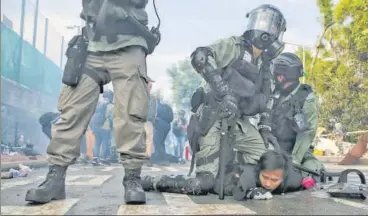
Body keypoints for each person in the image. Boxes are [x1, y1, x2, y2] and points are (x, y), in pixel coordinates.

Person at [25, 0, 160, 205]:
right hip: (93, 43)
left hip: (130, 42)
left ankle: (132, 178)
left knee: (130, 114)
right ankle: (55, 178)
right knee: (72, 110)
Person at [150, 4, 287, 194]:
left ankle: (234, 177)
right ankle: (158, 182)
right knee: (203, 183)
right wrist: (224, 92)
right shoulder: (234, 46)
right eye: (265, 23)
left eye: (272, 27)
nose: (266, 30)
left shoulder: (266, 65)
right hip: (214, 117)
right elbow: (201, 56)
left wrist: (265, 127)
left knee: (266, 164)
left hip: (239, 122)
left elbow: (267, 101)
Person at [142, 150, 309, 199]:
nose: (269, 183)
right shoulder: (250, 175)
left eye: (275, 180)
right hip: (222, 179)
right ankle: (152, 182)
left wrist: (309, 182)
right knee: (199, 186)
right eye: (265, 177)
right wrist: (250, 191)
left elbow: (306, 180)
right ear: (260, 171)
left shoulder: (291, 180)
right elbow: (237, 191)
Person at [268, 52, 324, 180]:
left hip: (295, 151)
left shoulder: (306, 97)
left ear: (282, 76)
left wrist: (294, 161)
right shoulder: (273, 94)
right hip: (272, 149)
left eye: (278, 75)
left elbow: (307, 132)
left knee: (309, 171)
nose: (276, 77)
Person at [90, 90, 114, 166]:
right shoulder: (110, 105)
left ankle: (95, 158)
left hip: (95, 126)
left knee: (97, 142)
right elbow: (112, 116)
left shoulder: (98, 104)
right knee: (105, 142)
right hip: (105, 126)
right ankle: (103, 158)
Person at [150, 92, 174, 166]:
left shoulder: (157, 106)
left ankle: (164, 160)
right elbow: (171, 118)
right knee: (161, 143)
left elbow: (152, 116)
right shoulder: (167, 107)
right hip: (167, 126)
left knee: (157, 142)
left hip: (159, 125)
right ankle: (159, 159)